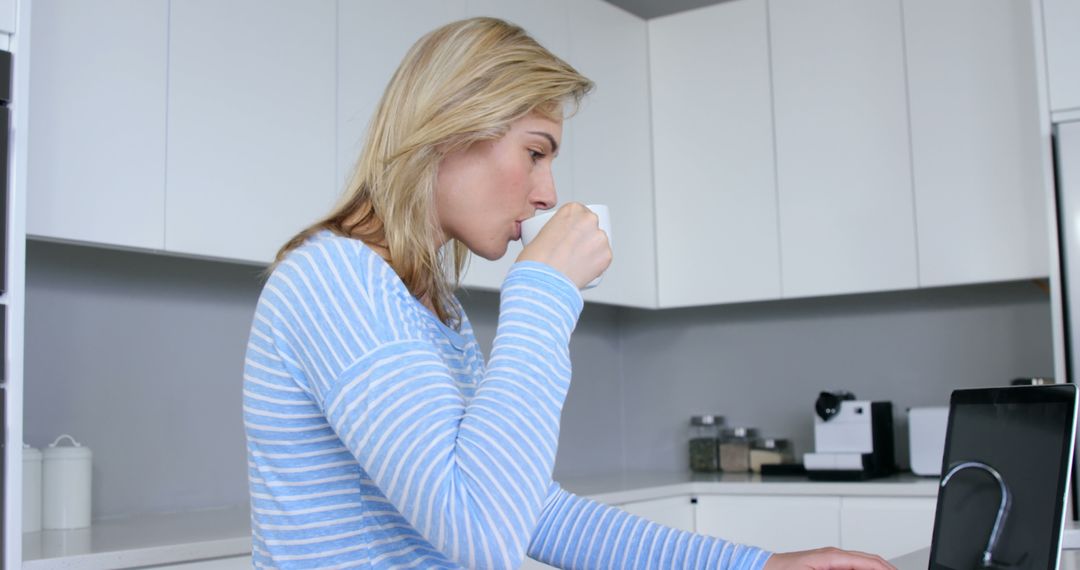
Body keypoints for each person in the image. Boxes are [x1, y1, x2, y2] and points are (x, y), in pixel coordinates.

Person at [243, 16, 895, 570]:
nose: (548, 192)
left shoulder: (429, 307)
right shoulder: (334, 280)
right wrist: (541, 293)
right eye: (535, 152)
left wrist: (758, 566)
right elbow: (480, 532)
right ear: (451, 128)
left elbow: (530, 510)